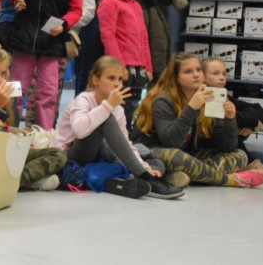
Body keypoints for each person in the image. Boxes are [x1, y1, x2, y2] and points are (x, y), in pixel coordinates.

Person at [52, 56, 183, 199]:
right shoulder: (83, 100)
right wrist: (107, 106)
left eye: (120, 80)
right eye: (111, 78)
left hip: (98, 158)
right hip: (69, 161)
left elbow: (124, 143)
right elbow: (79, 131)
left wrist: (144, 167)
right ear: (96, 80)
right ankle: (143, 177)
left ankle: (121, 180)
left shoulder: (118, 109)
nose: (117, 84)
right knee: (106, 119)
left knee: (156, 163)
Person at [131, 52, 263, 189]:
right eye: (188, 72)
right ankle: (229, 180)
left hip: (187, 156)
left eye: (198, 70)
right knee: (176, 156)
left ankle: (176, 176)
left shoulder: (208, 97)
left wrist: (230, 119)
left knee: (240, 154)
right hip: (149, 152)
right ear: (176, 77)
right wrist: (191, 108)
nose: (196, 75)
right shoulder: (163, 100)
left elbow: (228, 147)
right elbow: (171, 142)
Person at [6, 0, 84, 129]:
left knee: (47, 94)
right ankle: (10, 130)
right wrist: (16, 1)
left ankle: (44, 137)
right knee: (15, 89)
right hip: (25, 34)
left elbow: (77, 10)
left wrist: (65, 24)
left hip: (52, 38)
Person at [0, 44, 67, 191]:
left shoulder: (8, 93)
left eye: (4, 73)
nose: (0, 80)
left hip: (3, 155)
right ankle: (13, 181)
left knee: (58, 155)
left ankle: (9, 182)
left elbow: (11, 128)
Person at [96, 0, 152, 129]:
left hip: (138, 67)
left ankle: (127, 141)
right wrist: (118, 67)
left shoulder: (136, 6)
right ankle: (115, 142)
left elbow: (143, 38)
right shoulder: (109, 3)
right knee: (118, 107)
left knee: (132, 107)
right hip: (122, 66)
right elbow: (108, 36)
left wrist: (148, 67)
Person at [201, 57, 263, 172]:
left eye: (224, 74)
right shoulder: (203, 98)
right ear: (202, 76)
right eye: (215, 73)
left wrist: (254, 123)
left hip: (226, 147)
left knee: (235, 124)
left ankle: (249, 165)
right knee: (230, 125)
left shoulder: (224, 96)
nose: (222, 78)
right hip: (206, 150)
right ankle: (250, 165)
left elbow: (258, 109)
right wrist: (251, 122)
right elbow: (225, 116)